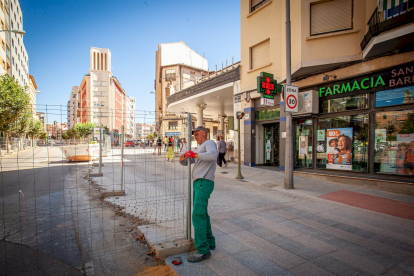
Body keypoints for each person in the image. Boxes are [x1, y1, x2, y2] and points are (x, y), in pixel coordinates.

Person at [179, 126, 217, 263]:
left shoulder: (209, 143)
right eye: (193, 134)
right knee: (203, 213)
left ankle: (203, 251)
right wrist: (183, 159)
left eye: (196, 134)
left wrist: (194, 154)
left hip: (203, 182)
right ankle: (210, 241)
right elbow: (193, 160)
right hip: (199, 183)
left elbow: (213, 155)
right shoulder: (201, 147)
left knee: (198, 215)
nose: (194, 136)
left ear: (203, 133)